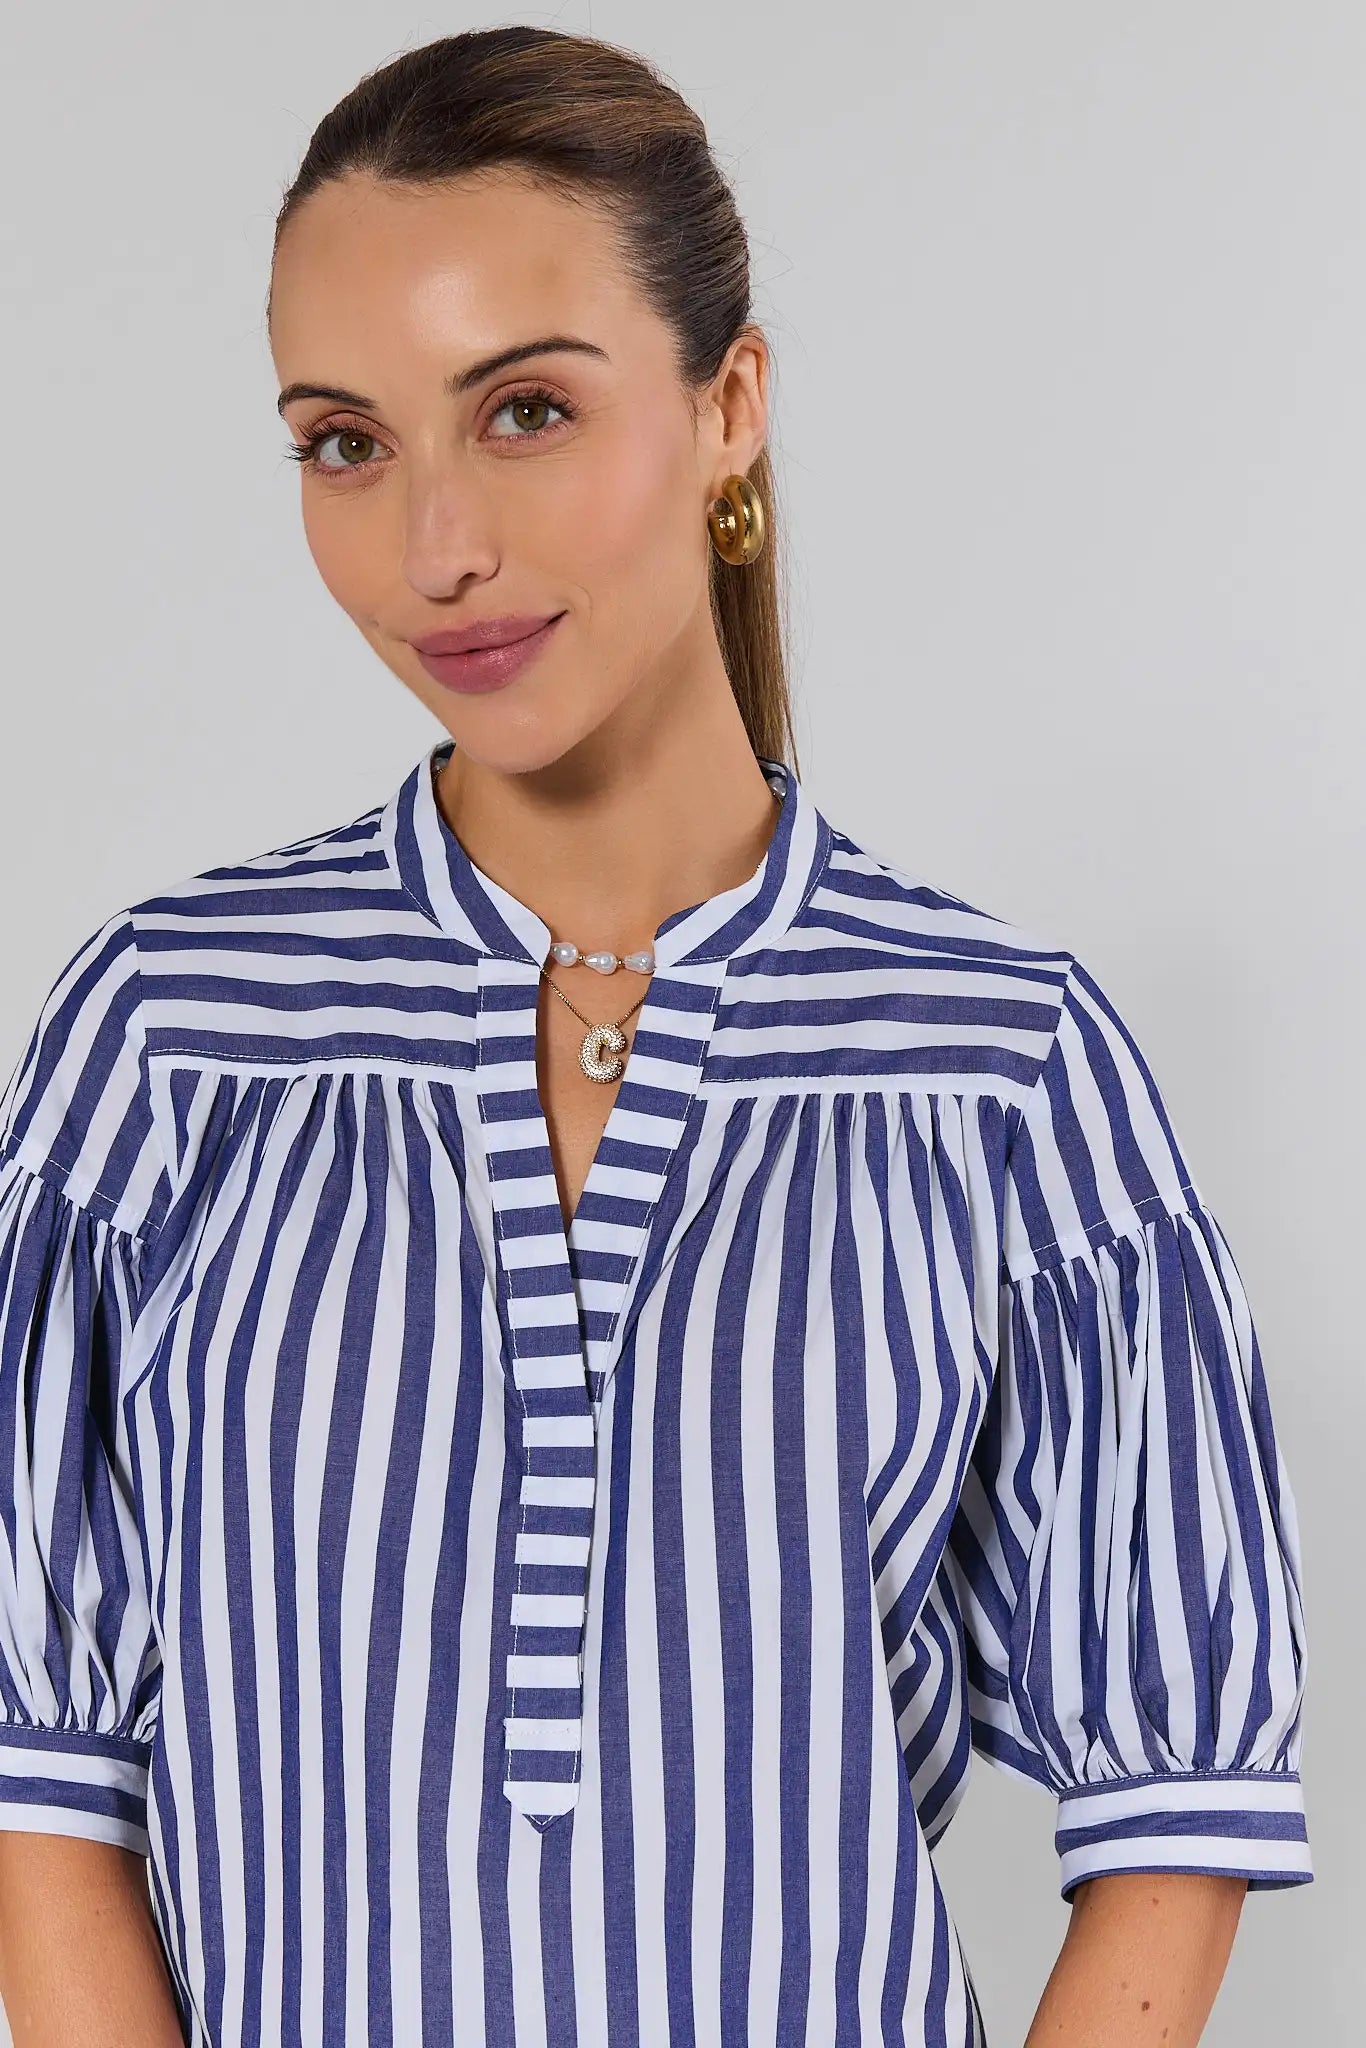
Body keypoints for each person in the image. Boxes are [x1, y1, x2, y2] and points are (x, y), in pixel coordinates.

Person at [0, 25, 1311, 2048]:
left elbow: (1180, 1790)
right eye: (344, 441)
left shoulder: (998, 1064)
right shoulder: (171, 1042)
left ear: (729, 408)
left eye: (519, 409)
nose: (431, 548)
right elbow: (37, 1777)